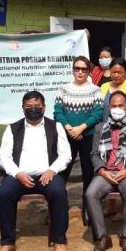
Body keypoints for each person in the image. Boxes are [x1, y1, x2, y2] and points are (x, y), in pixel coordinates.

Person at [0, 91, 72, 251]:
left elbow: (65, 154)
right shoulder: (13, 128)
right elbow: (4, 157)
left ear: (44, 107)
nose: (33, 109)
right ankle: (7, 241)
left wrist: (52, 170)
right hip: (20, 176)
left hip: (48, 175)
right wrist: (17, 173)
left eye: (37, 106)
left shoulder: (55, 126)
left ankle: (59, 240)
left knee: (59, 192)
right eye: (29, 107)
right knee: (4, 194)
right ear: (23, 108)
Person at [85, 91, 126, 251]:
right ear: (108, 107)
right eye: (113, 106)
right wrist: (102, 170)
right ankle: (102, 238)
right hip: (106, 172)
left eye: (120, 105)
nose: (117, 109)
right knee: (90, 193)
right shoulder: (100, 128)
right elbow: (94, 154)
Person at [54, 56, 103, 225]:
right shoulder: (63, 89)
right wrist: (69, 128)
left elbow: (97, 113)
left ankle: (88, 208)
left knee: (88, 173)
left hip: (87, 136)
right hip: (67, 136)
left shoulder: (96, 90)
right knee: (62, 171)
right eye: (77, 68)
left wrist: (81, 128)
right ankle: (58, 206)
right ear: (72, 69)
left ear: (89, 71)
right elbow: (57, 112)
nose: (80, 72)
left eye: (84, 69)